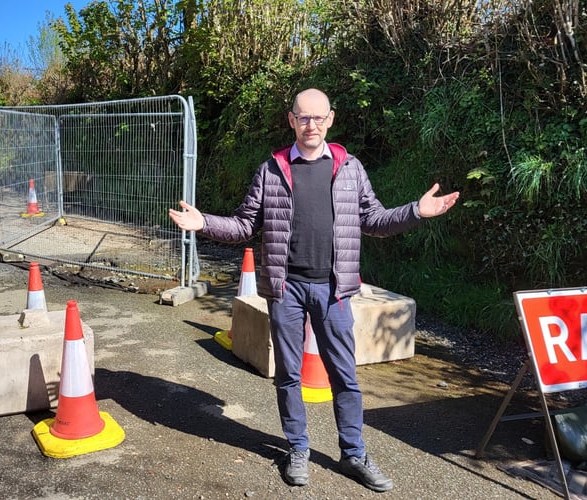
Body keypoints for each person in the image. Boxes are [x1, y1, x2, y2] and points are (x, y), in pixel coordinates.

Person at [169, 88, 459, 492]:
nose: (311, 125)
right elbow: (243, 225)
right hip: (285, 289)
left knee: (345, 376)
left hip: (334, 290)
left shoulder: (349, 168)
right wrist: (205, 224)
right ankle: (298, 450)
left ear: (331, 119)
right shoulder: (271, 170)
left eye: (319, 118)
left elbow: (374, 219)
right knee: (288, 375)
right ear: (291, 120)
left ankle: (354, 454)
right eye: (303, 118)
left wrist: (415, 211)